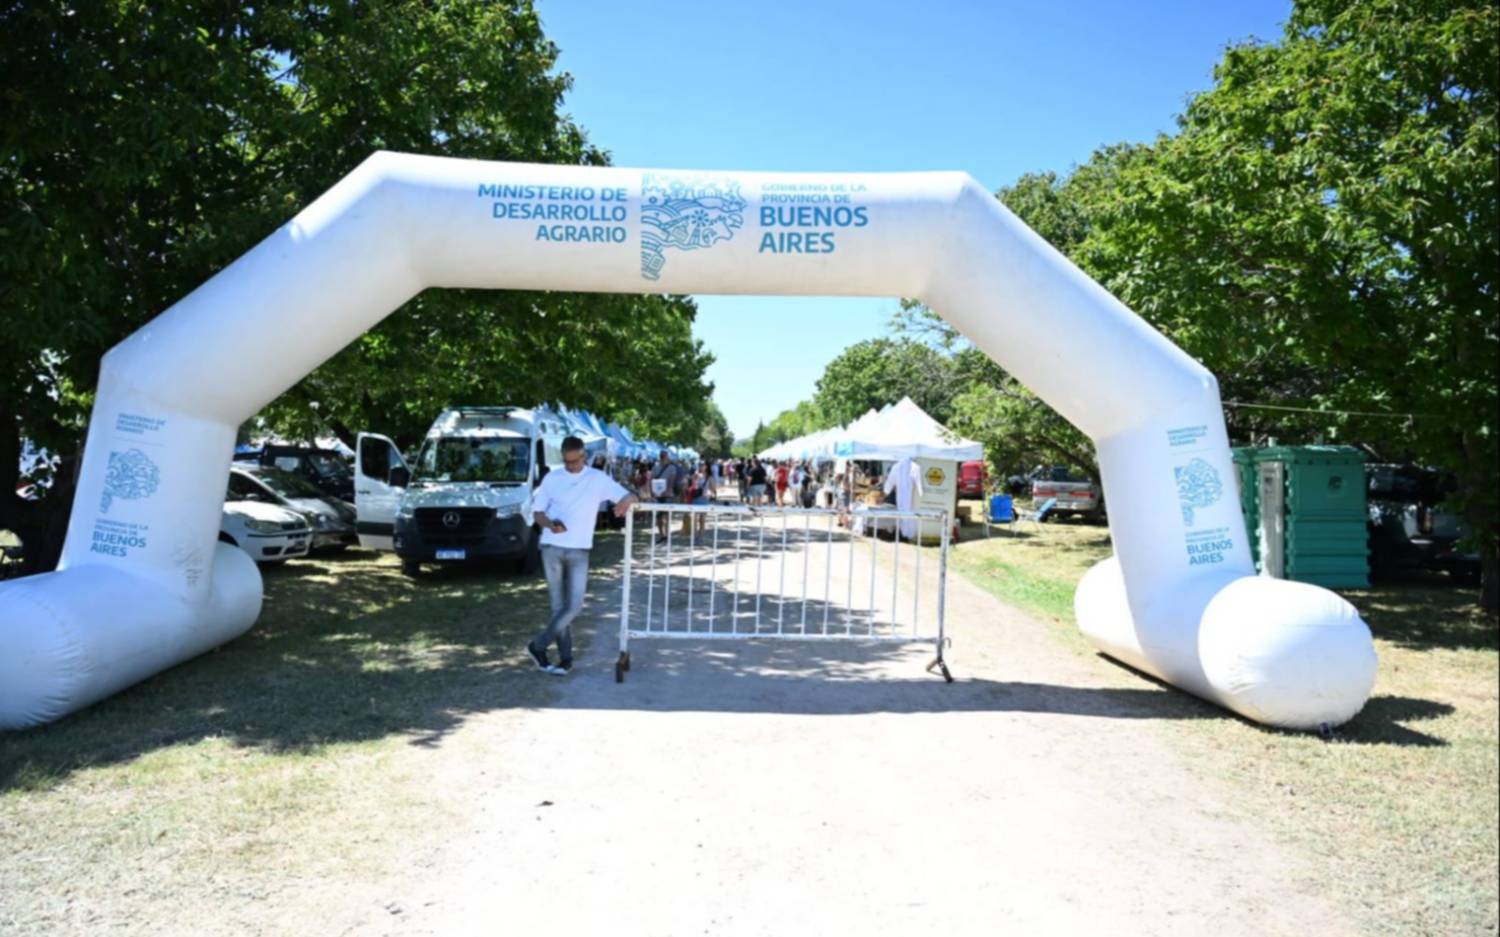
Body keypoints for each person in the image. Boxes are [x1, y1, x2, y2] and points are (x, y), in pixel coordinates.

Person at [527, 436, 636, 675]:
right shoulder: (552, 478)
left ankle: (538, 646)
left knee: (574, 606)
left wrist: (628, 500)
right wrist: (550, 524)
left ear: (584, 456)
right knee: (558, 608)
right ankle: (566, 660)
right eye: (566, 462)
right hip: (552, 547)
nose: (570, 466)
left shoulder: (597, 478)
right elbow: (537, 513)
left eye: (574, 461)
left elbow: (627, 495)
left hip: (579, 549)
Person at [650, 450, 681, 536]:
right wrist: (653, 492)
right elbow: (652, 479)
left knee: (665, 515)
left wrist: (664, 490)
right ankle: (663, 535)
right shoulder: (657, 467)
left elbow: (672, 480)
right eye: (663, 456)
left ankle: (665, 534)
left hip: (665, 494)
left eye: (664, 456)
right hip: (661, 494)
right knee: (660, 516)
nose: (664, 458)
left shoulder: (671, 467)